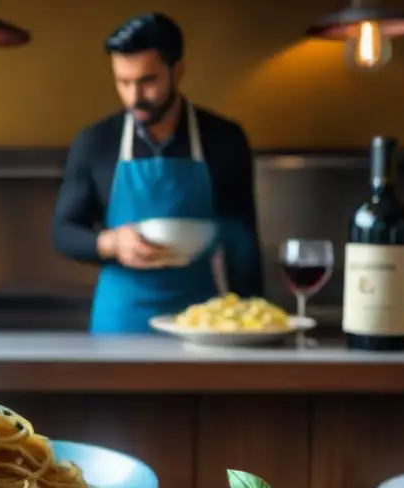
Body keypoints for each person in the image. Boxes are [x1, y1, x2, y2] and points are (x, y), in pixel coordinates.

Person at [52, 12, 264, 334]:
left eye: (147, 81)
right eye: (123, 82)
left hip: (202, 323)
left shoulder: (224, 139)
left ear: (177, 70)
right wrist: (112, 243)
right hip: (119, 325)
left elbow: (243, 242)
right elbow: (64, 231)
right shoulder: (96, 141)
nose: (134, 97)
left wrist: (253, 321)